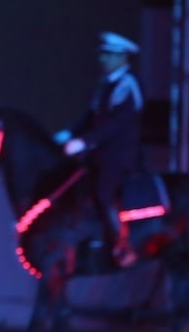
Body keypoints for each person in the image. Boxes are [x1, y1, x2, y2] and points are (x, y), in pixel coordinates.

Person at [54, 31, 144, 268]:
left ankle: (122, 245)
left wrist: (85, 142)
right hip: (98, 155)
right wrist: (70, 132)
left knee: (104, 192)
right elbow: (91, 116)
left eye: (109, 55)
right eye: (102, 54)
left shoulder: (127, 85)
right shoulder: (105, 85)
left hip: (118, 157)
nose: (103, 59)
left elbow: (115, 123)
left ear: (123, 58)